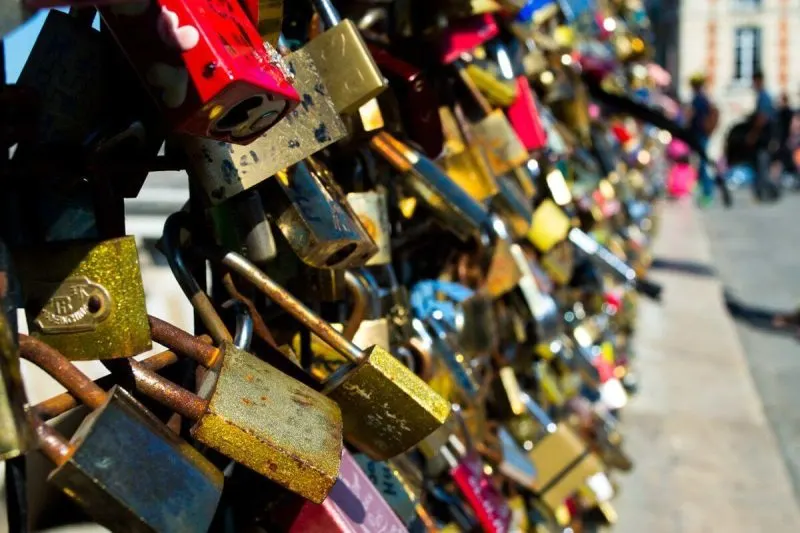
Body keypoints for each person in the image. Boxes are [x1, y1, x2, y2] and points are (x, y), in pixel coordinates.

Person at [686, 73, 718, 206]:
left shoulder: (698, 99)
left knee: (703, 163)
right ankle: (702, 189)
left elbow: (691, 116)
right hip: (701, 135)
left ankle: (708, 192)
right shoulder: (704, 98)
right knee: (701, 163)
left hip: (699, 135)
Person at [747, 71, 778, 201]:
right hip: (766, 137)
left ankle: (770, 191)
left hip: (764, 138)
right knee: (762, 165)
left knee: (762, 165)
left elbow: (762, 118)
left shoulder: (764, 97)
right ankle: (765, 192)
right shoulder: (764, 96)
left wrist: (753, 134)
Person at [776, 93, 796, 178]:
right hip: (783, 140)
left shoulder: (787, 113)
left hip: (786, 140)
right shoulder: (781, 113)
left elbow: (791, 127)